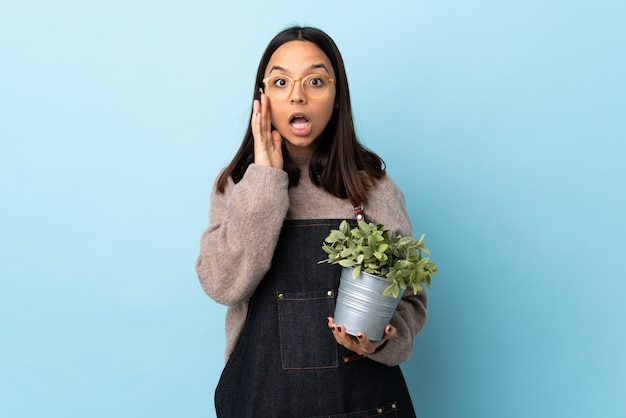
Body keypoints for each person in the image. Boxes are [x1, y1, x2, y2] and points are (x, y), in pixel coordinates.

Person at [195, 26, 427, 417]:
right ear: (263, 97)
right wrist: (266, 179)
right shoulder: (236, 184)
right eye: (281, 81)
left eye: (315, 81)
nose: (297, 95)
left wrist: (381, 341)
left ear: (336, 98)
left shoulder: (374, 187)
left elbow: (410, 299)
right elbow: (223, 284)